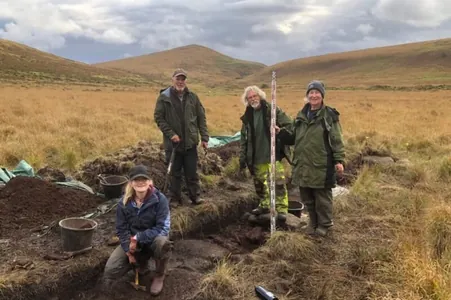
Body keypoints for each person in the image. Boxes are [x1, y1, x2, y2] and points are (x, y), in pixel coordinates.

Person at [278, 80, 345, 237]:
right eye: (311, 93)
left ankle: (325, 225)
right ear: (307, 96)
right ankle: (313, 223)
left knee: (322, 198)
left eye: (317, 93)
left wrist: (339, 160)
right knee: (307, 197)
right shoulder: (301, 116)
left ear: (322, 96)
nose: (314, 95)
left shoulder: (329, 116)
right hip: (303, 164)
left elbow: (336, 139)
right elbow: (293, 138)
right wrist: (280, 132)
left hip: (321, 164)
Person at [100, 164, 172, 296]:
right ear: (131, 183)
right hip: (133, 243)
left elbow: (162, 228)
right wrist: (129, 251)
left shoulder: (160, 200)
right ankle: (141, 263)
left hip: (153, 239)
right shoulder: (124, 202)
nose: (140, 183)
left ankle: (160, 275)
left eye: (143, 179)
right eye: (136, 180)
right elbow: (121, 229)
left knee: (162, 243)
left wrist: (137, 238)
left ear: (149, 181)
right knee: (111, 271)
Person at [154, 68, 209, 206]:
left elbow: (201, 117)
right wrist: (171, 134)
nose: (180, 81)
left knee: (192, 172)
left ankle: (195, 197)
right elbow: (159, 118)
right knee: (174, 173)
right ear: (172, 80)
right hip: (173, 144)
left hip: (190, 143)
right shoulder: (164, 97)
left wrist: (205, 137)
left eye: (183, 79)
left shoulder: (193, 97)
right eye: (178, 79)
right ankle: (174, 199)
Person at [238, 85, 293, 222]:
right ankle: (265, 205)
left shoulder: (272, 110)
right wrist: (243, 156)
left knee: (278, 183)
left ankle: (281, 209)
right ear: (247, 100)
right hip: (256, 156)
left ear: (260, 96)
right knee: (260, 184)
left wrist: (279, 130)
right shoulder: (247, 116)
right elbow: (244, 137)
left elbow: (290, 125)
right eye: (249, 97)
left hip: (273, 154)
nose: (252, 99)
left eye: (254, 96)